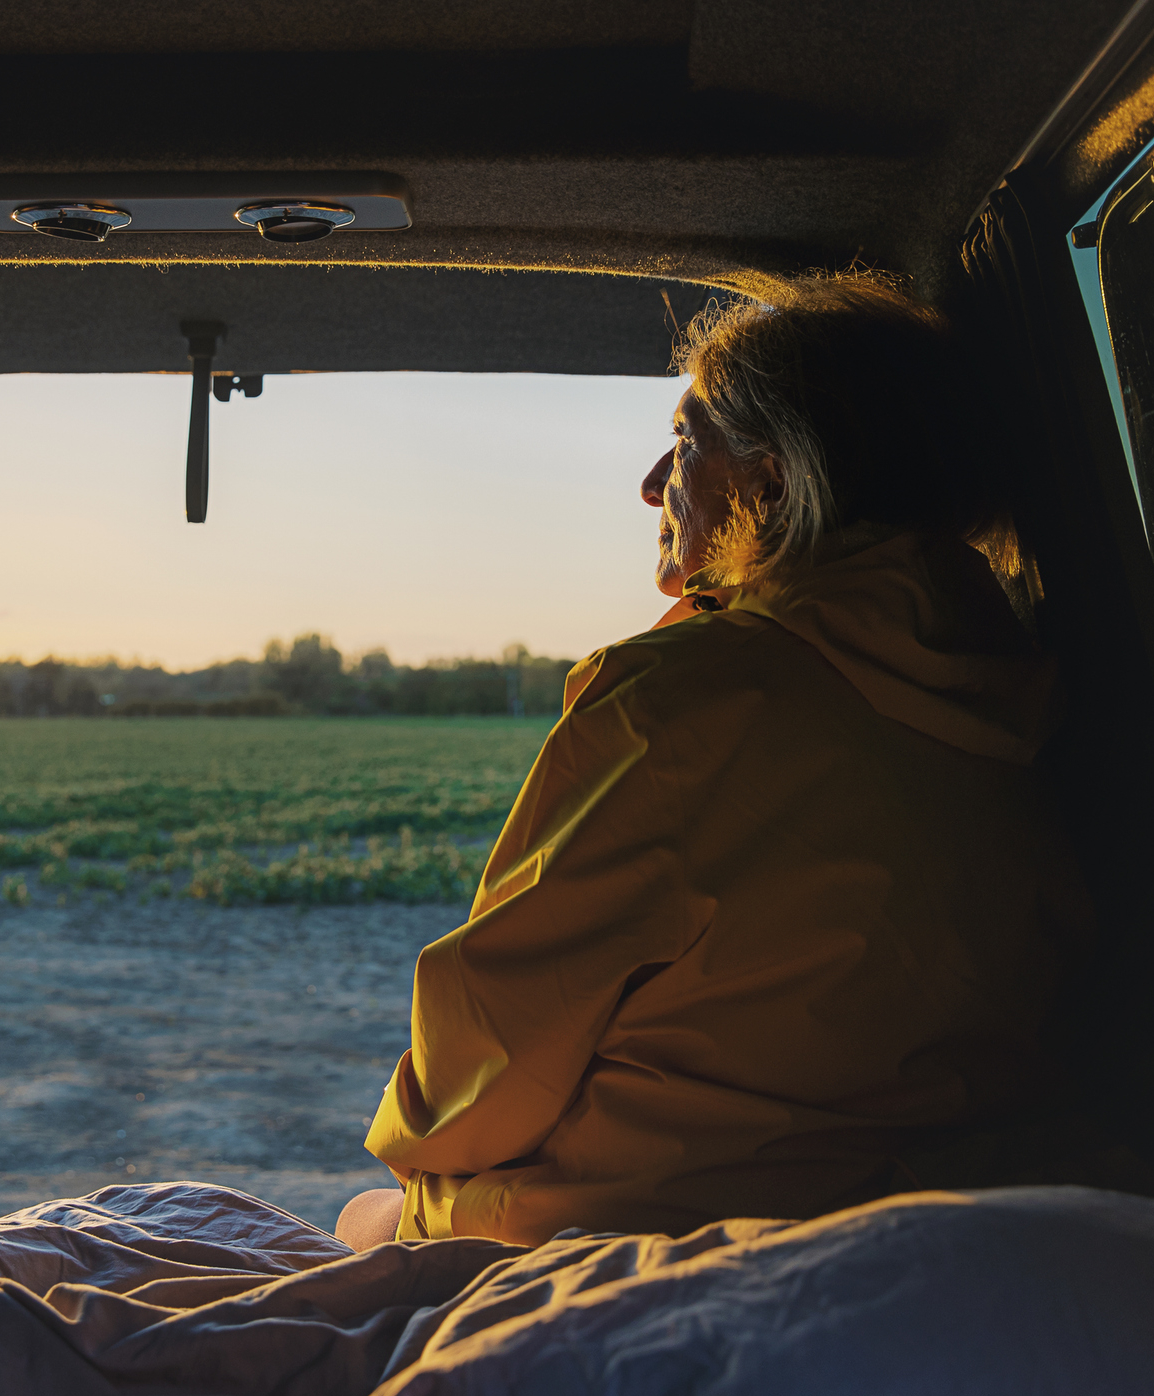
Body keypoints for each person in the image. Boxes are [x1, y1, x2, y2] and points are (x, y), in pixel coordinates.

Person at [336, 273, 1083, 1249]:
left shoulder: (677, 704)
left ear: (774, 484)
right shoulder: (1016, 695)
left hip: (626, 1225)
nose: (654, 480)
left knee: (363, 1216)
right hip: (899, 1208)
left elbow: (494, 1034)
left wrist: (421, 1168)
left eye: (688, 440)